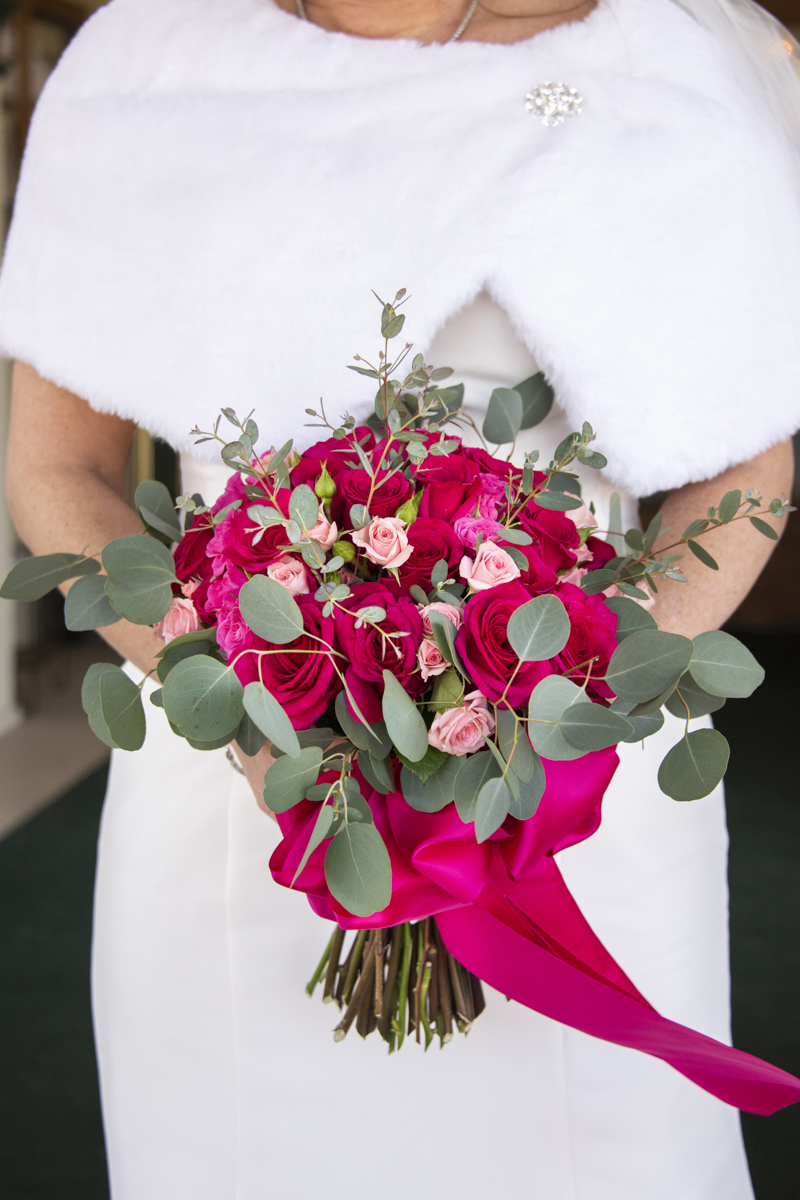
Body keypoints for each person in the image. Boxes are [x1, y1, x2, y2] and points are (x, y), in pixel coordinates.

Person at [1, 0, 798, 1195]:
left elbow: (748, 455)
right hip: (242, 770)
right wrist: (248, 697)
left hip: (578, 774)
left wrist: (566, 685)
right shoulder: (146, 57)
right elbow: (55, 466)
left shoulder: (672, 54)